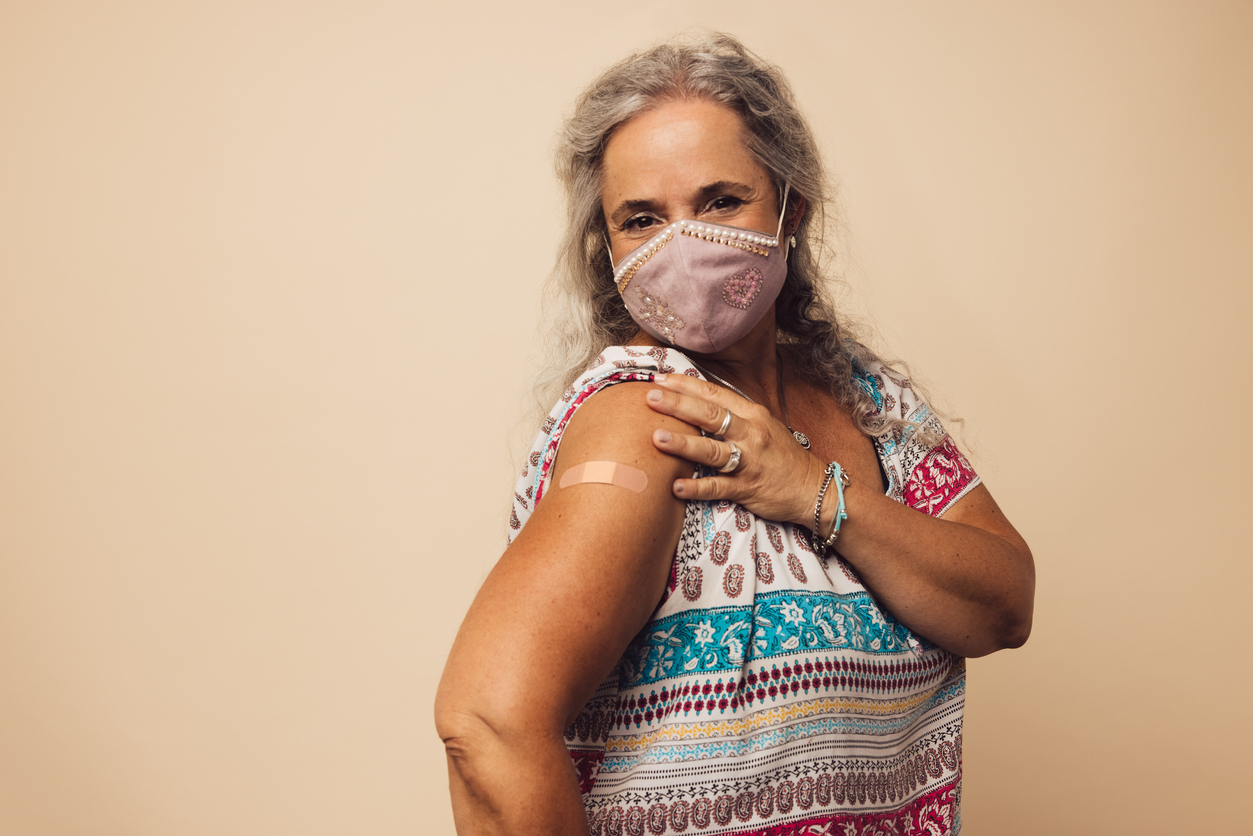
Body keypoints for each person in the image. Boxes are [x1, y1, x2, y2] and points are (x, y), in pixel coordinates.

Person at [435, 33, 1034, 836]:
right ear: (606, 249)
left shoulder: (865, 397)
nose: (682, 244)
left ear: (792, 207)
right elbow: (487, 725)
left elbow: (1002, 607)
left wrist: (814, 493)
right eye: (640, 218)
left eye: (720, 201)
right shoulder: (646, 422)